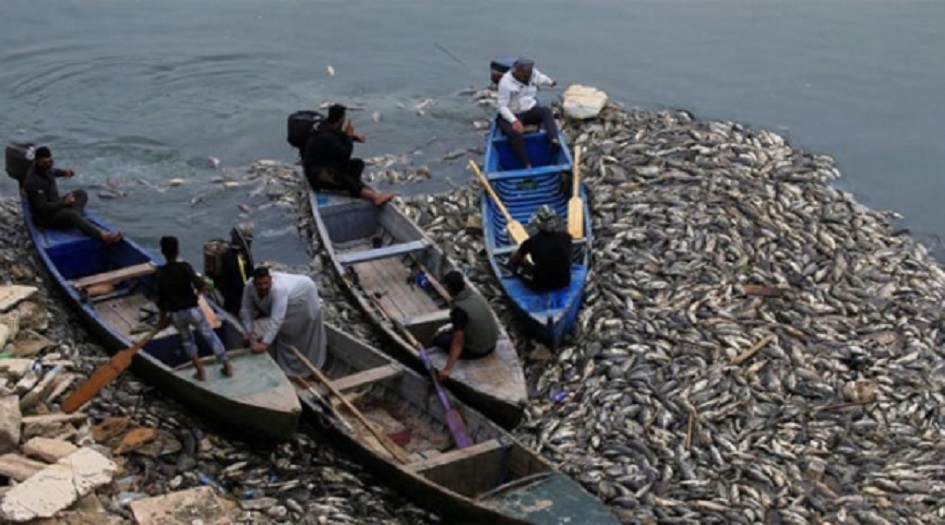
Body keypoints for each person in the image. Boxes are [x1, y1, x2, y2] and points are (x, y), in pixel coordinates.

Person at [156, 236, 233, 381]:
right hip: (192, 310)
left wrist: (162, 321)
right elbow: (202, 285)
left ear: (162, 252)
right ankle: (227, 366)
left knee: (187, 341)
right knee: (210, 335)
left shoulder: (161, 274)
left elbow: (162, 302)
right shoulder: (185, 267)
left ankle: (200, 371)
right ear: (178, 250)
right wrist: (197, 295)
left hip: (176, 315)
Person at [23, 147, 123, 244]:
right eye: (45, 163)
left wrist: (63, 172)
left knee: (81, 194)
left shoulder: (46, 168)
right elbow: (43, 208)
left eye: (50, 161)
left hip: (56, 204)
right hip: (45, 217)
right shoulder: (33, 181)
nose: (48, 165)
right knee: (73, 215)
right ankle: (102, 236)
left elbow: (52, 171)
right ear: (38, 162)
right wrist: (63, 203)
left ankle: (76, 220)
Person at [239, 267, 327, 378]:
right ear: (253, 282)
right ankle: (290, 368)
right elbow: (246, 309)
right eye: (259, 284)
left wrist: (265, 343)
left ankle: (312, 368)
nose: (263, 287)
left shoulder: (279, 289)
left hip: (304, 297)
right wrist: (248, 331)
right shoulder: (249, 287)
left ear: (270, 279)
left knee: (302, 332)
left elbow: (277, 318)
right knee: (285, 334)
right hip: (288, 300)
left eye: (265, 283)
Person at [303, 104, 394, 206]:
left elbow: (338, 135)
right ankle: (374, 197)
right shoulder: (326, 137)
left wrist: (354, 137)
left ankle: (357, 187)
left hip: (327, 164)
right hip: (317, 174)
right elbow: (345, 154)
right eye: (344, 117)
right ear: (341, 119)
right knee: (344, 179)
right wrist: (349, 137)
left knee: (358, 164)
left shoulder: (325, 126)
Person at [432, 271, 499, 383]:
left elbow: (458, 342)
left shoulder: (459, 310)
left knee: (439, 340)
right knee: (453, 331)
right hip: (492, 344)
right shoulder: (474, 295)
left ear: (450, 288)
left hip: (477, 350)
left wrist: (447, 369)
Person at [496, 58, 559, 169]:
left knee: (546, 112)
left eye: (526, 73)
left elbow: (540, 78)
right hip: (512, 113)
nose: (523, 75)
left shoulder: (533, 74)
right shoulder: (505, 83)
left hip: (528, 110)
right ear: (516, 71)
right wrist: (514, 121)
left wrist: (550, 82)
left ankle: (553, 139)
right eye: (521, 73)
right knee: (514, 133)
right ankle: (527, 164)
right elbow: (502, 106)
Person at [509, 205, 572, 292]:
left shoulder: (530, 242)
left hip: (541, 285)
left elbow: (515, 260)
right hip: (564, 281)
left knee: (516, 263)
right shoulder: (566, 236)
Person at [218, 223, 255, 316]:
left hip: (229, 296)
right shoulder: (238, 260)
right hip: (236, 302)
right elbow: (242, 282)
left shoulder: (228, 254)